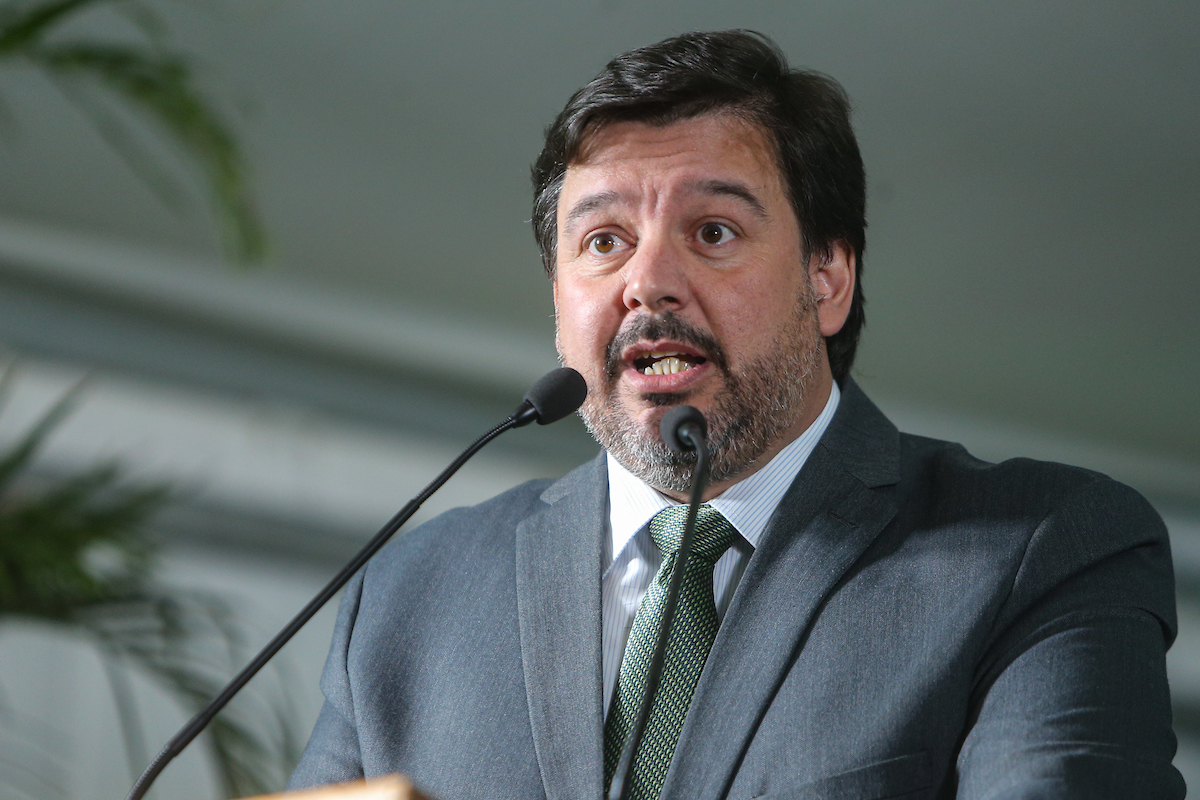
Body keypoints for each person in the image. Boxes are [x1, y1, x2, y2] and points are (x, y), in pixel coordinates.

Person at [289, 30, 1183, 799]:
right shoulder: (408, 597)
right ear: (558, 302)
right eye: (604, 241)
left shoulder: (1043, 549)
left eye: (713, 232)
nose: (648, 282)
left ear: (827, 280)